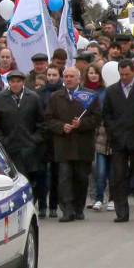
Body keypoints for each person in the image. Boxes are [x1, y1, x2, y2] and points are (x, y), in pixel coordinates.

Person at [98, 59, 134, 222]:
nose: (124, 77)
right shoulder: (111, 91)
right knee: (118, 177)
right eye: (121, 74)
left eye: (127, 74)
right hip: (118, 141)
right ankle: (122, 212)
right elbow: (106, 115)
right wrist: (113, 130)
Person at [43, 67, 99, 222]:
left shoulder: (90, 96)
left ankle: (78, 208)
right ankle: (67, 209)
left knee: (81, 177)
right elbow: (48, 119)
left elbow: (97, 118)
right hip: (63, 144)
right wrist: (61, 127)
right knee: (64, 178)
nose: (68, 79)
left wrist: (82, 123)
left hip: (83, 144)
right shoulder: (55, 97)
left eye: (71, 76)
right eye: (66, 76)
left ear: (78, 78)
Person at [0, 69, 46, 211]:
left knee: (30, 178)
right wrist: (2, 140)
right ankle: (16, 207)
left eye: (18, 81)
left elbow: (41, 122)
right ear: (8, 83)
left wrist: (35, 139)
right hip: (9, 146)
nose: (15, 84)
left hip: (29, 146)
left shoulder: (33, 98)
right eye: (12, 81)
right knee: (12, 179)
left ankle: (31, 205)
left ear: (23, 82)